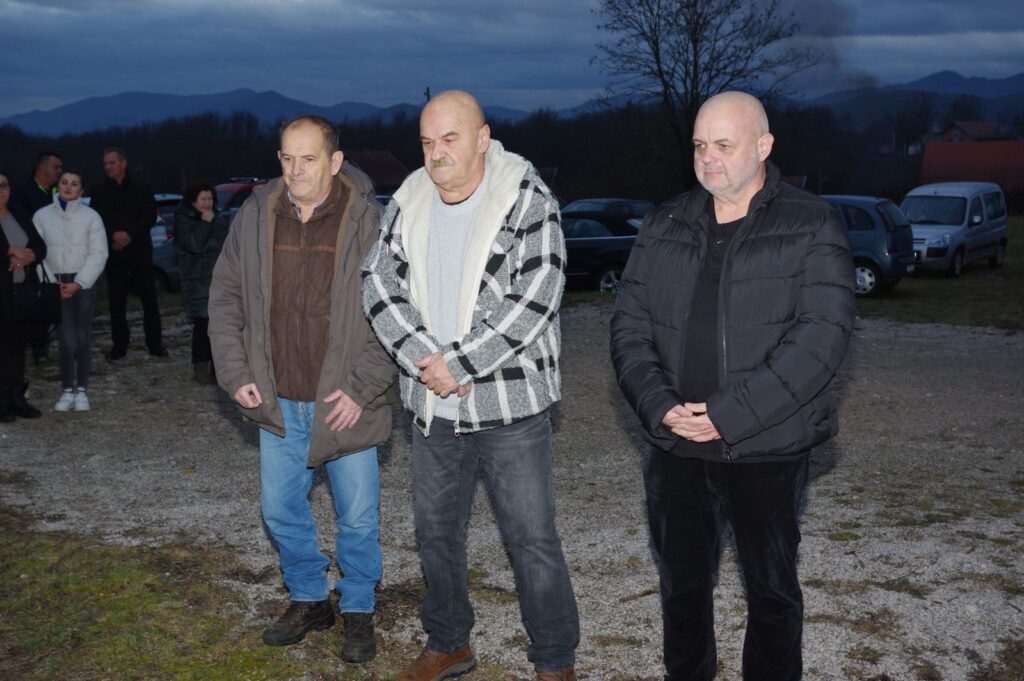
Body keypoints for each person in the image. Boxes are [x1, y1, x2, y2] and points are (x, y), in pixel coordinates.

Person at [609, 91, 856, 681]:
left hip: (766, 448)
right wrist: (660, 406)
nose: (707, 157)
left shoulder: (811, 223)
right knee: (682, 588)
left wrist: (727, 413)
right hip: (676, 447)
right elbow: (628, 329)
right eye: (700, 144)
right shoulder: (664, 222)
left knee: (771, 592)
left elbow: (821, 341)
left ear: (763, 146)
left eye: (723, 144)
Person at [362, 90, 579, 681]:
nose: (437, 153)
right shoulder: (407, 201)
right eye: (427, 142)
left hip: (509, 405)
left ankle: (555, 660)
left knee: (531, 539)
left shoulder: (526, 198)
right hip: (433, 405)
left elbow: (537, 295)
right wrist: (423, 357)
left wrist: (459, 364)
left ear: (483, 138)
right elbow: (377, 282)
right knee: (435, 534)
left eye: (450, 139)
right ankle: (449, 643)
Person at [208, 115, 395, 664]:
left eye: (309, 159)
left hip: (345, 401)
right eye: (287, 158)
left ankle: (357, 605)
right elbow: (225, 298)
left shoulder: (372, 221)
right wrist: (236, 372)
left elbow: (397, 315)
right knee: (280, 509)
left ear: (335, 161)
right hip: (278, 399)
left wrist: (362, 387)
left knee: (357, 517)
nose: (296, 171)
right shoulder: (255, 216)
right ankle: (310, 597)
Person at [33, 170, 108, 412]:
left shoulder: (91, 217)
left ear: (81, 190)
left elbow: (99, 253)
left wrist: (79, 282)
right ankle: (67, 389)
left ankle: (82, 390)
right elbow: (36, 251)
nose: (68, 187)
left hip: (83, 282)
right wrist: (50, 282)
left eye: (74, 184)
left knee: (83, 337)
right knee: (66, 339)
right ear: (58, 186)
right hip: (55, 283)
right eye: (64, 182)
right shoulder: (42, 216)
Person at [88, 147, 166, 359]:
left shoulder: (143, 187)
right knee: (116, 301)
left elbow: (149, 216)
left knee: (149, 299)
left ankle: (155, 344)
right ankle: (119, 346)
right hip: (114, 253)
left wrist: (129, 234)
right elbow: (95, 220)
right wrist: (113, 235)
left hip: (140, 251)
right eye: (105, 163)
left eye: (112, 162)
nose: (108, 167)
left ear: (123, 163)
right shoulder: (98, 191)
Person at [0, 171, 47, 421]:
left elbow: (40, 246)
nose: (0, 191)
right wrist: (9, 251)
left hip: (22, 293)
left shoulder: (18, 212)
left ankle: (18, 399)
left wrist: (29, 256)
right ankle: (2, 403)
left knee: (18, 346)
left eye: (4, 185)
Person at [173, 181, 228, 384]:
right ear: (193, 201)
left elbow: (222, 243)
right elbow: (194, 245)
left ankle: (218, 368)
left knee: (220, 324)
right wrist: (204, 225)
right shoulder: (183, 221)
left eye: (210, 199)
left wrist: (207, 237)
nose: (207, 203)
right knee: (202, 324)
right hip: (196, 281)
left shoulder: (218, 219)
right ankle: (201, 368)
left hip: (218, 279)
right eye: (203, 199)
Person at [12, 151, 63, 363]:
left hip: (54, 255)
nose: (60, 171)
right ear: (43, 169)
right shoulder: (21, 192)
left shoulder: (57, 192)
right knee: (31, 301)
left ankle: (45, 344)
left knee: (49, 300)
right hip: (30, 257)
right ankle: (34, 347)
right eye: (56, 167)